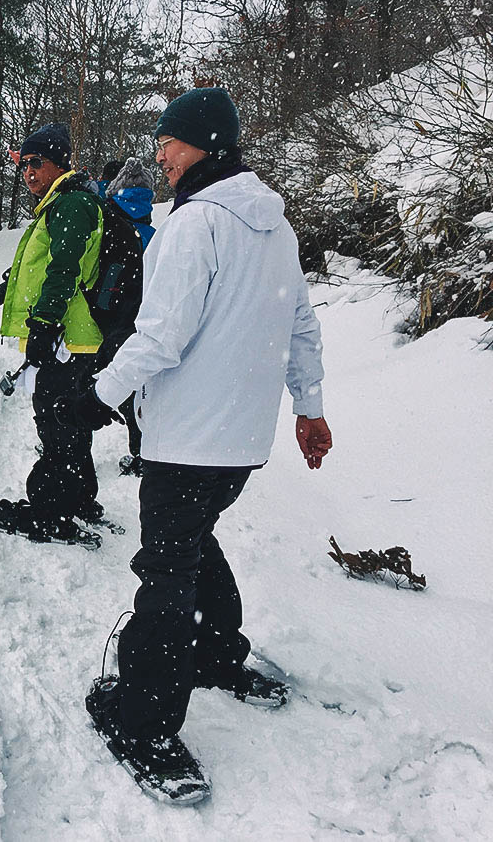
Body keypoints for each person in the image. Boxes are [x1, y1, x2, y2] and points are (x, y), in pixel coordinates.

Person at [59, 88, 334, 804]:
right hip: (241, 440)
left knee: (166, 571)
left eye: (170, 142)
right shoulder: (273, 225)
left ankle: (145, 721)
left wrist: (98, 397)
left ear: (207, 145)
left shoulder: (194, 225)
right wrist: (308, 408)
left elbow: (160, 336)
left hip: (186, 438)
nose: (160, 154)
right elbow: (301, 324)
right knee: (193, 540)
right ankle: (216, 654)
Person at [0, 123, 113, 541]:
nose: (29, 172)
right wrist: (6, 291)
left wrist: (44, 324)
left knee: (56, 423)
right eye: (24, 164)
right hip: (69, 336)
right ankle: (79, 499)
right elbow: (42, 268)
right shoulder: (62, 203)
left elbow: (63, 270)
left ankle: (48, 512)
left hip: (66, 337)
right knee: (69, 419)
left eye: (38, 163)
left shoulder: (70, 205)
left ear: (60, 164)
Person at [101, 156, 157, 476]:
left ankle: (69, 441)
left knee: (109, 379)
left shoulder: (111, 222)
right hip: (144, 315)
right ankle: (142, 450)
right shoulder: (152, 231)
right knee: (137, 385)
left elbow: (108, 274)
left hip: (115, 315)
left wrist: (103, 306)